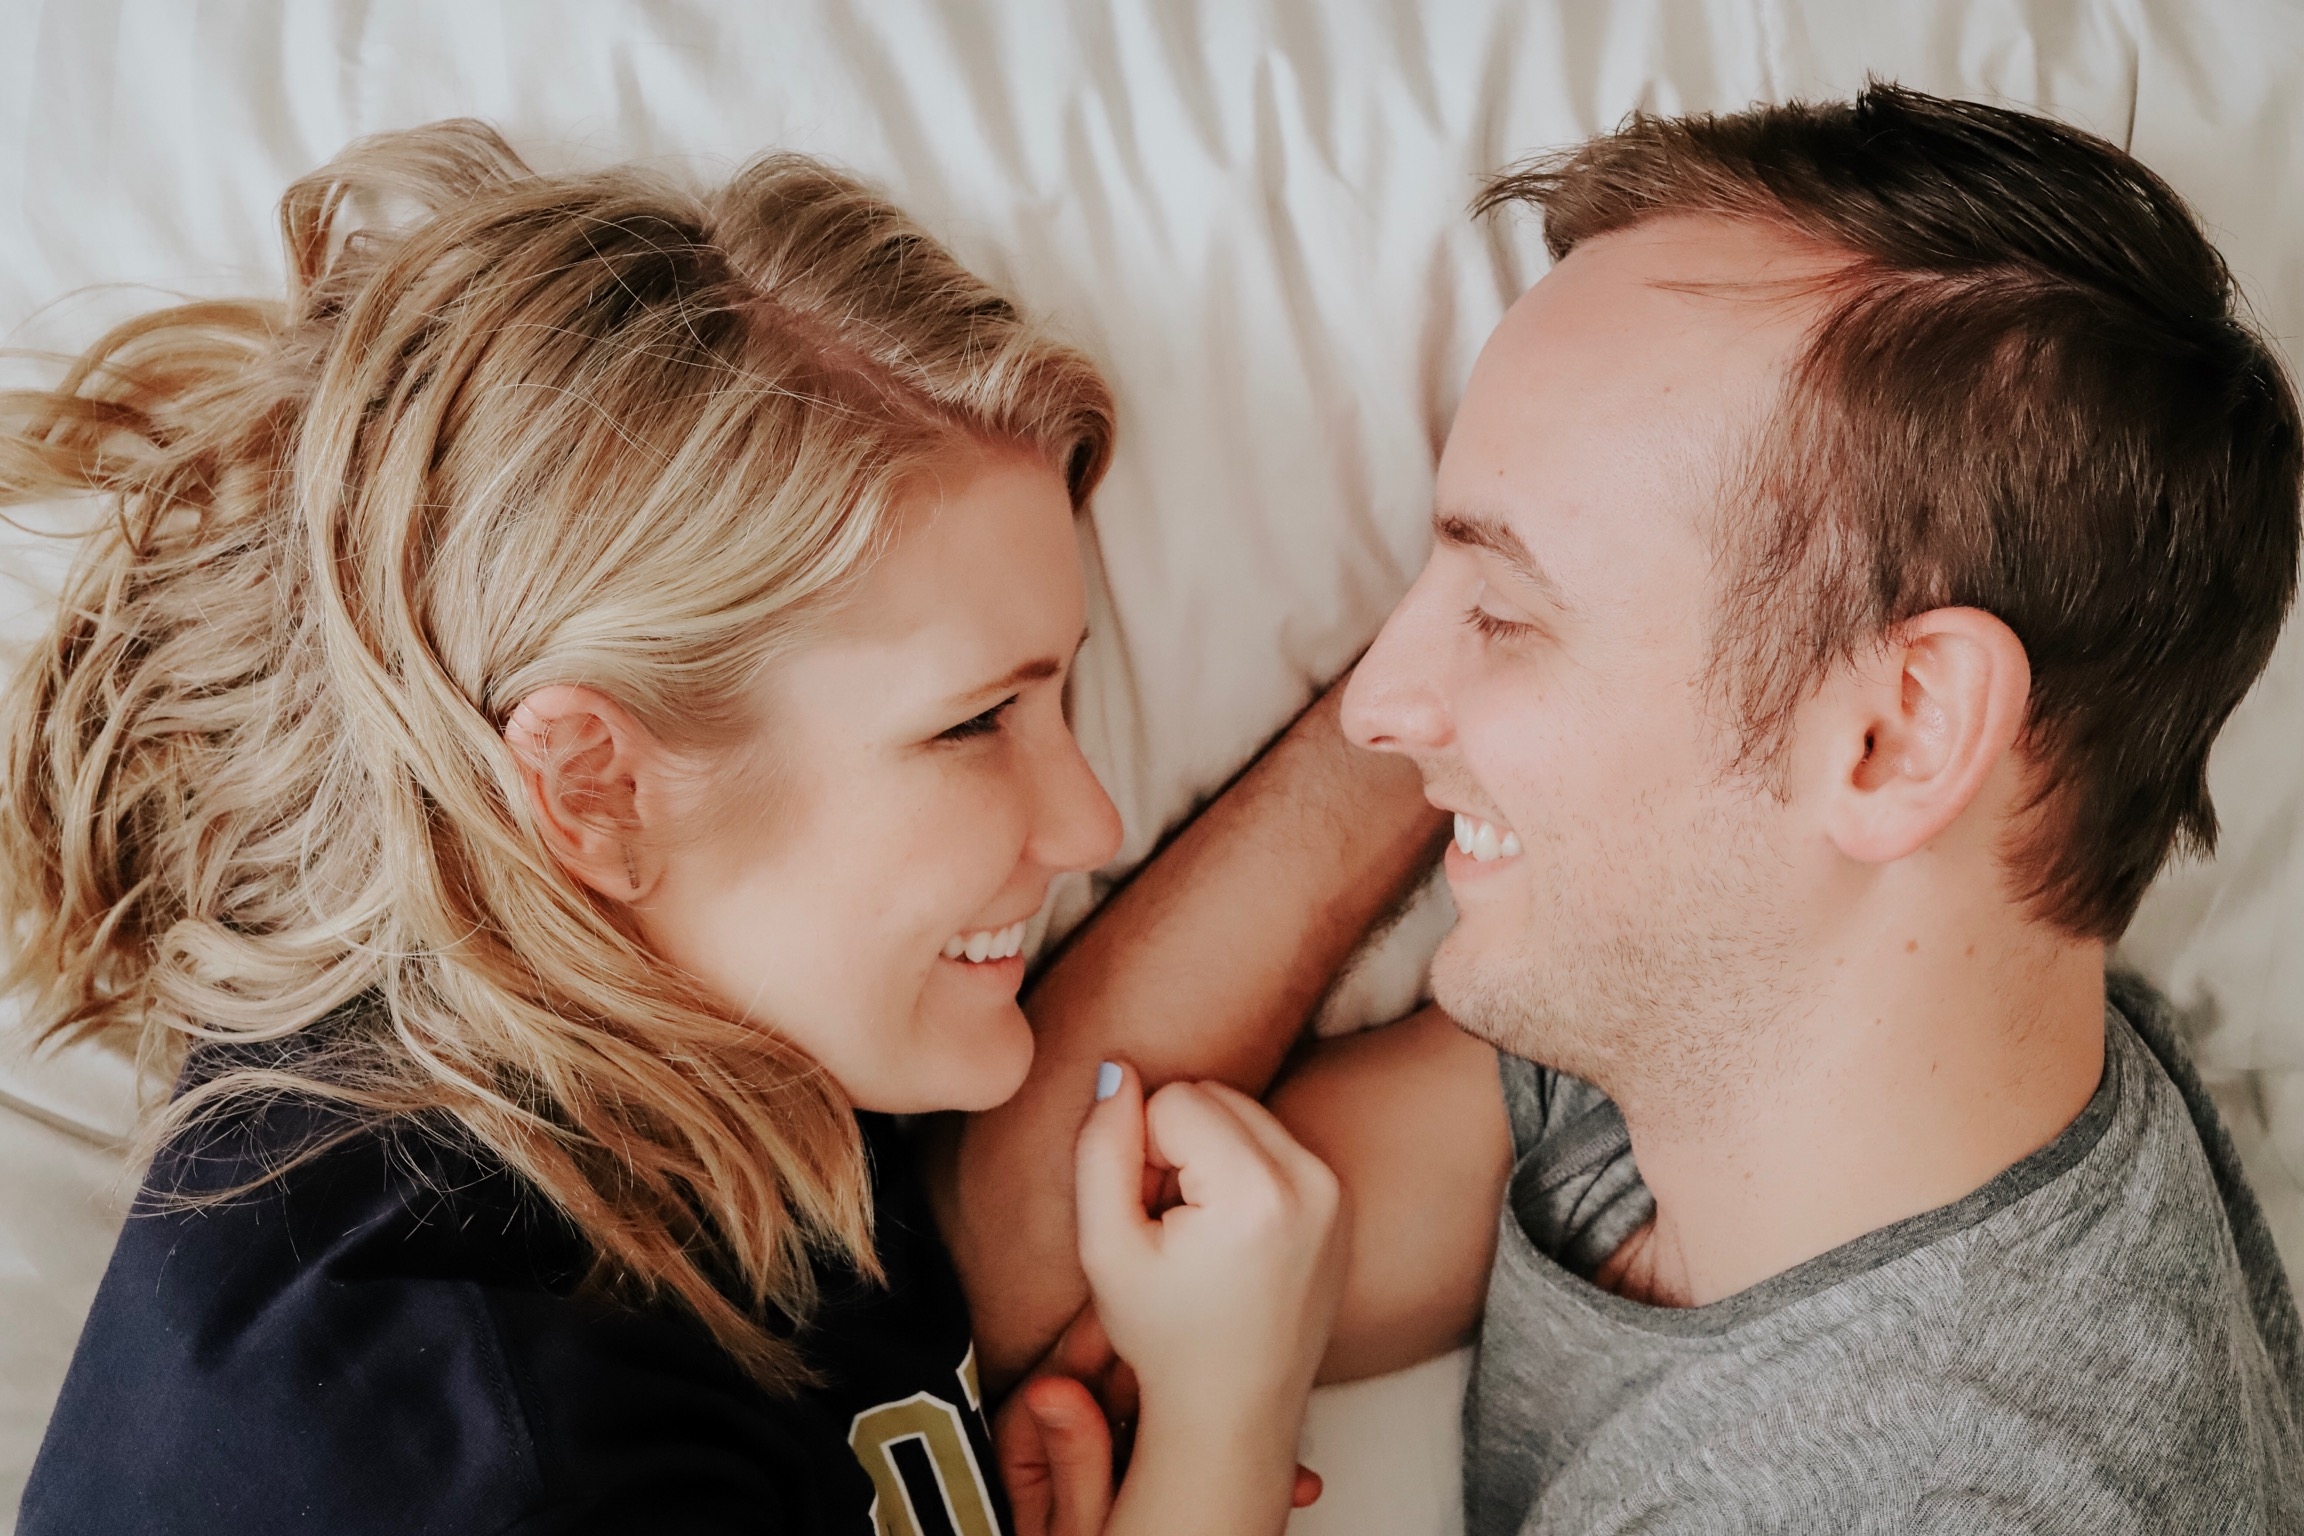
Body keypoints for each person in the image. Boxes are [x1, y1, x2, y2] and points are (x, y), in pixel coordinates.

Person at [953, 84, 2304, 1532]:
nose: (1371, 704)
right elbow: (1053, 1257)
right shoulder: (1770, 1032)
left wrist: (1222, 1445)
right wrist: (1495, 674)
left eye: (1508, 610)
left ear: (1898, 736)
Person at [4, 122, 1346, 1536]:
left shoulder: (666, 1067)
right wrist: (1224, 1434)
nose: (1090, 822)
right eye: (974, 725)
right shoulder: (451, 1437)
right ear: (596, 789)